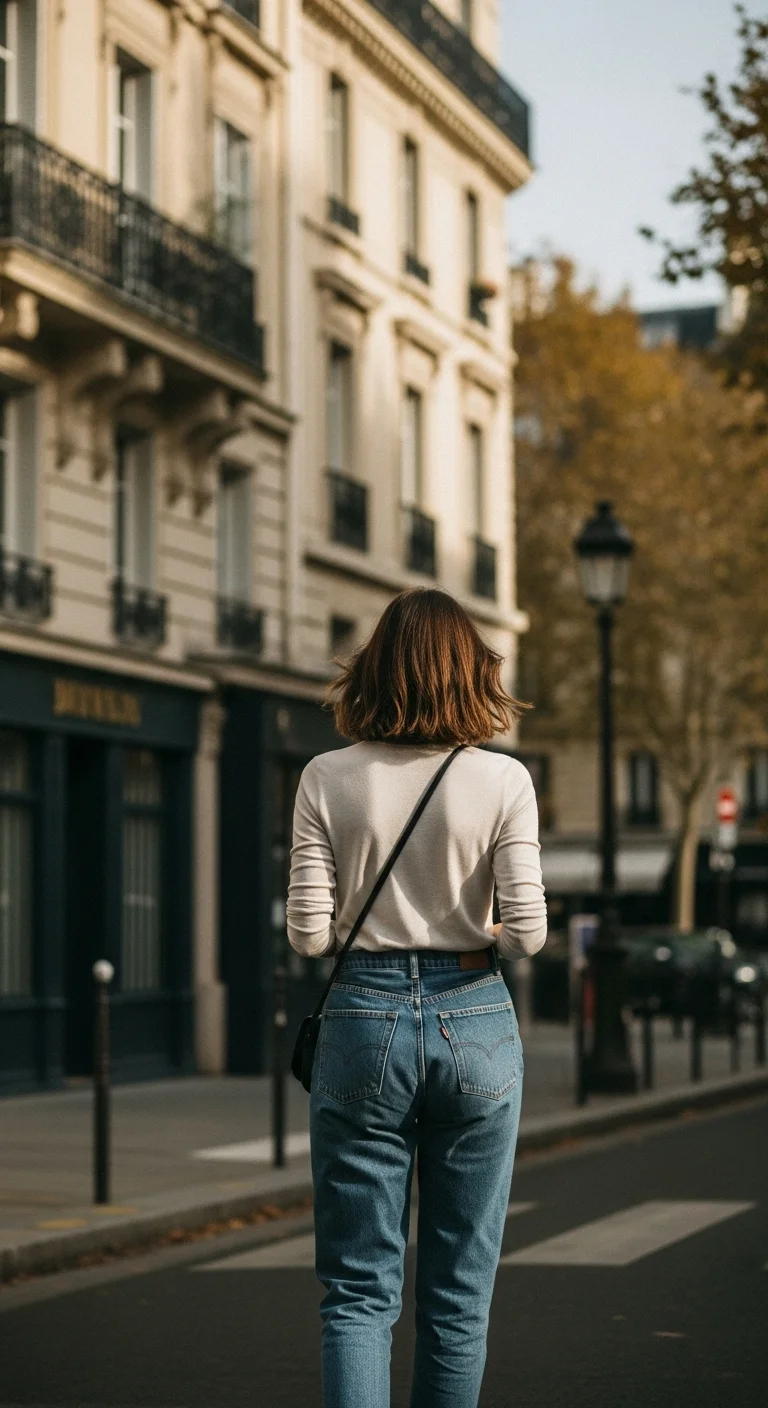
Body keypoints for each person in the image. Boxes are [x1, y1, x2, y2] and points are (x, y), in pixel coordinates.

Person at [287, 587, 547, 1408]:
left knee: (359, 1290)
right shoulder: (504, 780)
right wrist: (470, 939)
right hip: (473, 1007)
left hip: (362, 1016)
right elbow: (531, 931)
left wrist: (372, 942)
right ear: (471, 672)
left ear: (375, 670)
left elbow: (306, 933)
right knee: (458, 1296)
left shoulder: (327, 776)